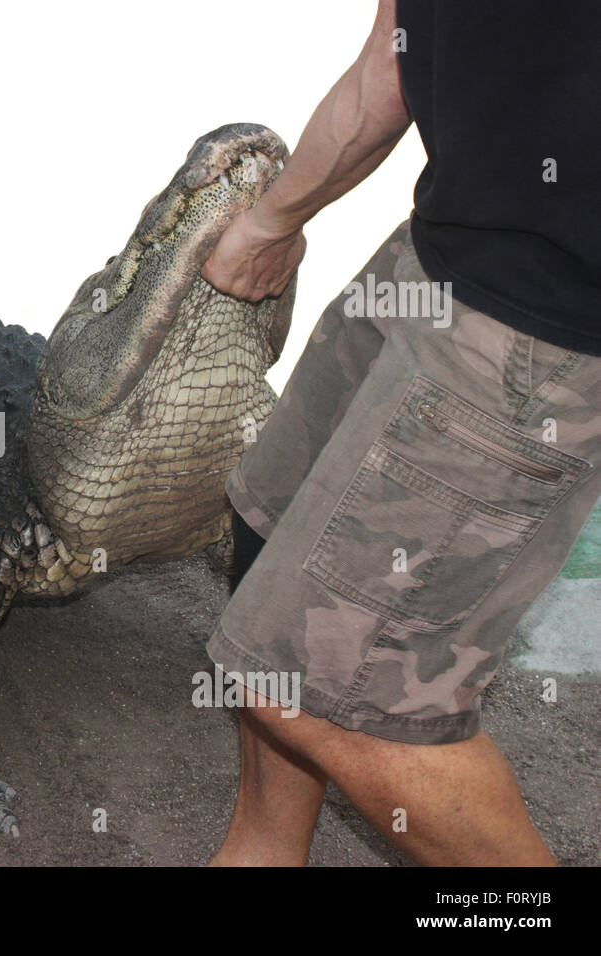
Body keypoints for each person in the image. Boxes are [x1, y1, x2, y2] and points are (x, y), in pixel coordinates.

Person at [199, 0, 601, 865]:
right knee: (266, 534)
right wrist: (274, 218)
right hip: (439, 252)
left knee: (335, 691)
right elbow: (397, 50)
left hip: (546, 322)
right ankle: (263, 852)